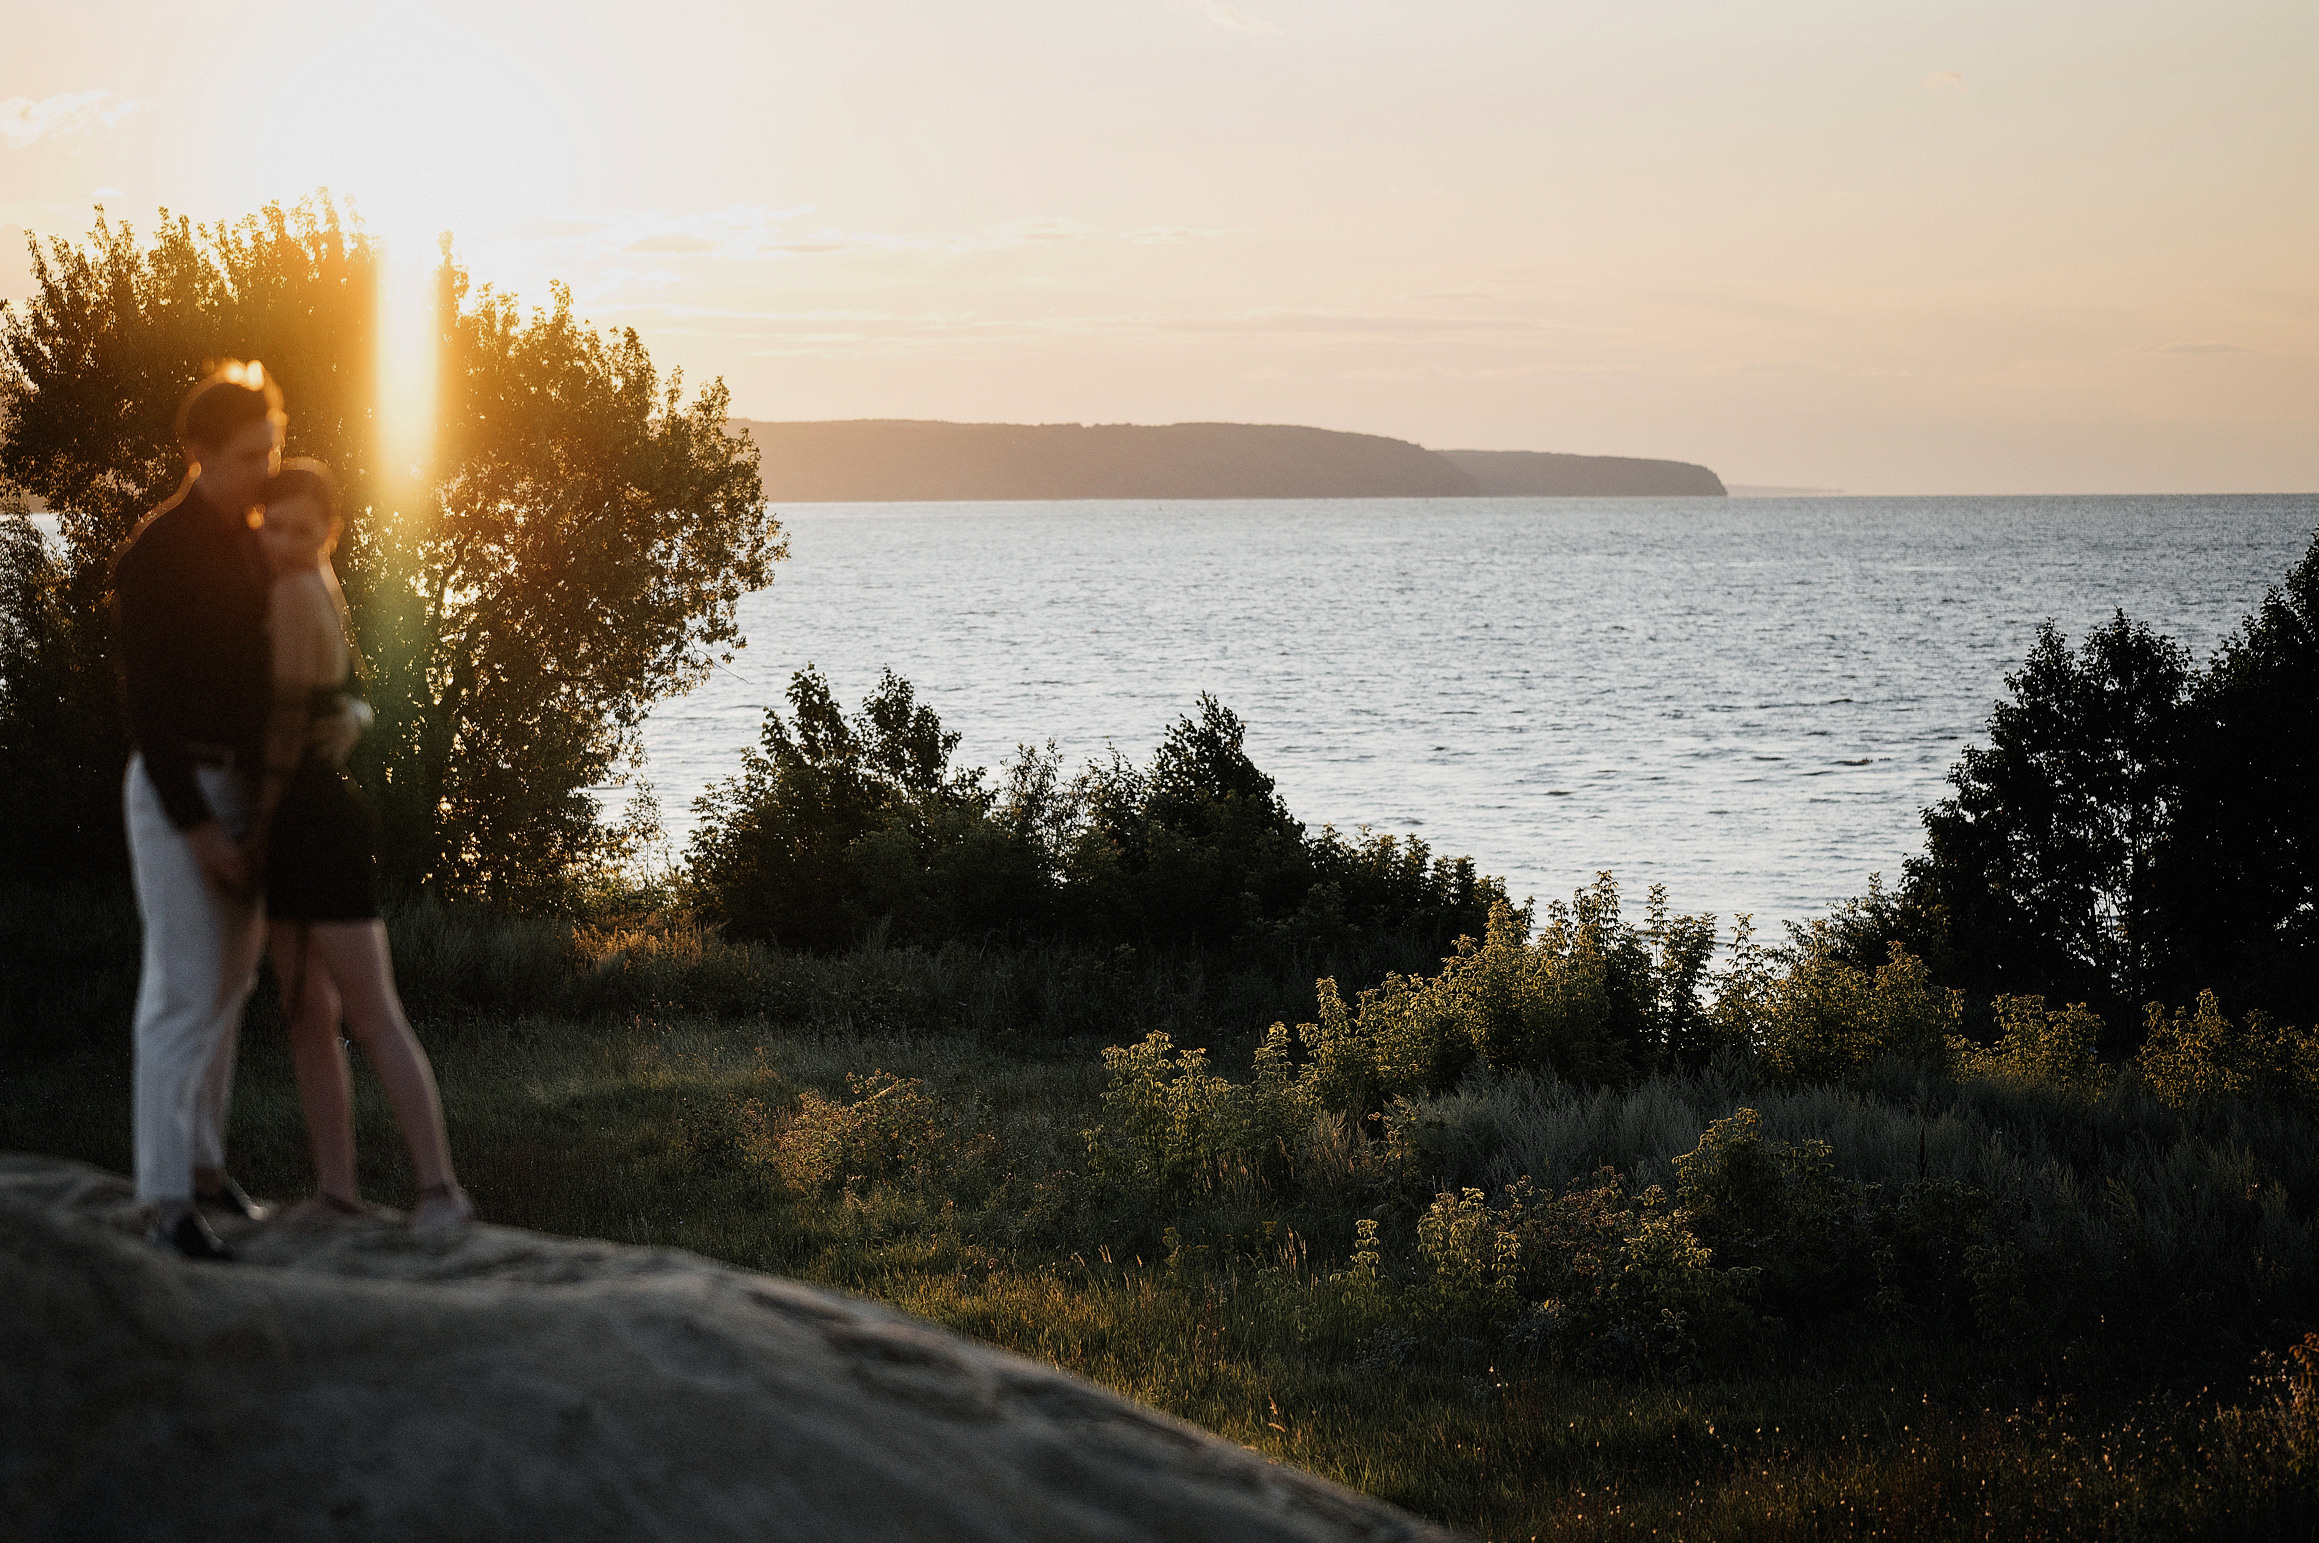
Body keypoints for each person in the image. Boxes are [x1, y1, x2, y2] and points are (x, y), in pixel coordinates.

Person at [113, 362, 321, 1259]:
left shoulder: (254, 538)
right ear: (198, 452)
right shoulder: (154, 556)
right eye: (246, 456)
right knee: (183, 993)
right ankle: (164, 1202)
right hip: (178, 792)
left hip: (247, 786)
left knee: (232, 986)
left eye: (271, 451)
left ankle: (204, 1166)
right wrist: (198, 828)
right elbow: (148, 713)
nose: (263, 471)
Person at [246, 460, 475, 1233]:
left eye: (301, 530)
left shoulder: (294, 590)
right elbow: (341, 705)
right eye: (271, 525)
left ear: (327, 531)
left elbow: (283, 732)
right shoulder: (316, 584)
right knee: (304, 1008)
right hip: (299, 820)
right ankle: (337, 1192)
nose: (283, 541)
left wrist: (254, 825)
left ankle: (440, 1190)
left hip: (313, 822)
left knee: (372, 1013)